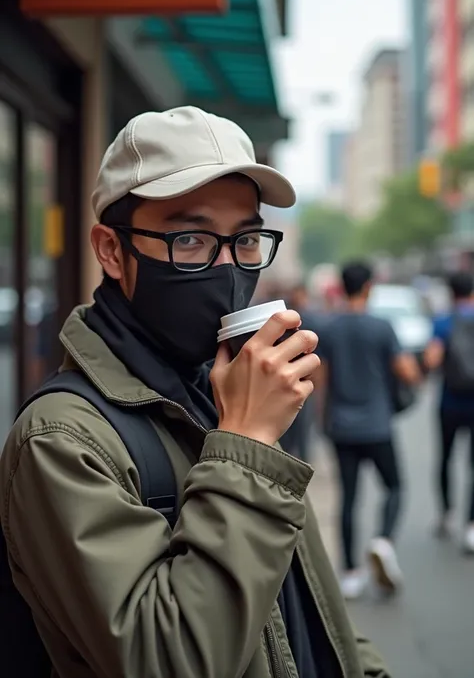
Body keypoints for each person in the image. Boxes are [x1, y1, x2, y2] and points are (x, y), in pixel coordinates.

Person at [0, 107, 390, 678]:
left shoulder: (221, 386)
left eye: (247, 239)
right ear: (111, 250)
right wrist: (249, 439)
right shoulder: (62, 441)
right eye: (189, 238)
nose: (228, 267)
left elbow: (307, 601)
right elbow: (170, 658)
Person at [317, 262, 420, 600]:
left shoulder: (330, 329)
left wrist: (324, 420)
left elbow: (322, 380)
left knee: (348, 497)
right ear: (369, 287)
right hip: (378, 425)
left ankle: (350, 573)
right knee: (395, 486)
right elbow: (406, 372)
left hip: (343, 427)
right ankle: (383, 540)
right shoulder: (382, 327)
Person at [424, 271, 474, 551]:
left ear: (450, 292)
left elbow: (432, 359)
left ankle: (446, 513)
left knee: (445, 458)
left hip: (449, 402)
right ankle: (471, 525)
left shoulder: (443, 321)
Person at [280, 281, 326, 462]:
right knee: (300, 425)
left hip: (301, 379)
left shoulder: (286, 319)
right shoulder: (308, 319)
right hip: (299, 379)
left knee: (298, 425)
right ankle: (299, 458)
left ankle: (295, 457)